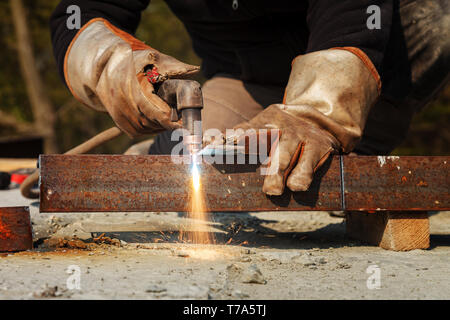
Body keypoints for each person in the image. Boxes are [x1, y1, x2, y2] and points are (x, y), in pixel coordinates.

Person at [50, 0, 449, 195]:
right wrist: (115, 65)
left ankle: (358, 141)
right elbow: (78, 12)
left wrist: (316, 116)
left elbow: (354, 14)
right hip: (249, 80)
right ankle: (154, 151)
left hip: (364, 69)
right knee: (184, 170)